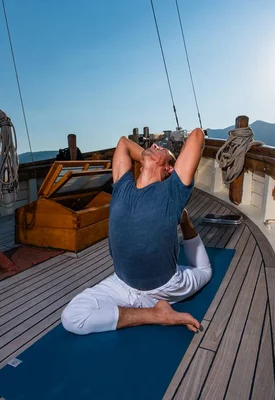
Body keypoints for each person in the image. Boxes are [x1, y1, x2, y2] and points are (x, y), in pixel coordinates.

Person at [61, 128, 210, 335]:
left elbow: (196, 136)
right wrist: (149, 157)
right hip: (122, 285)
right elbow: (123, 142)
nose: (155, 145)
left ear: (169, 169)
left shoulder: (172, 190)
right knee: (72, 318)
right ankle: (156, 314)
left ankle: (184, 220)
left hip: (165, 286)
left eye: (162, 149)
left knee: (205, 271)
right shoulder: (123, 186)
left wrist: (155, 160)